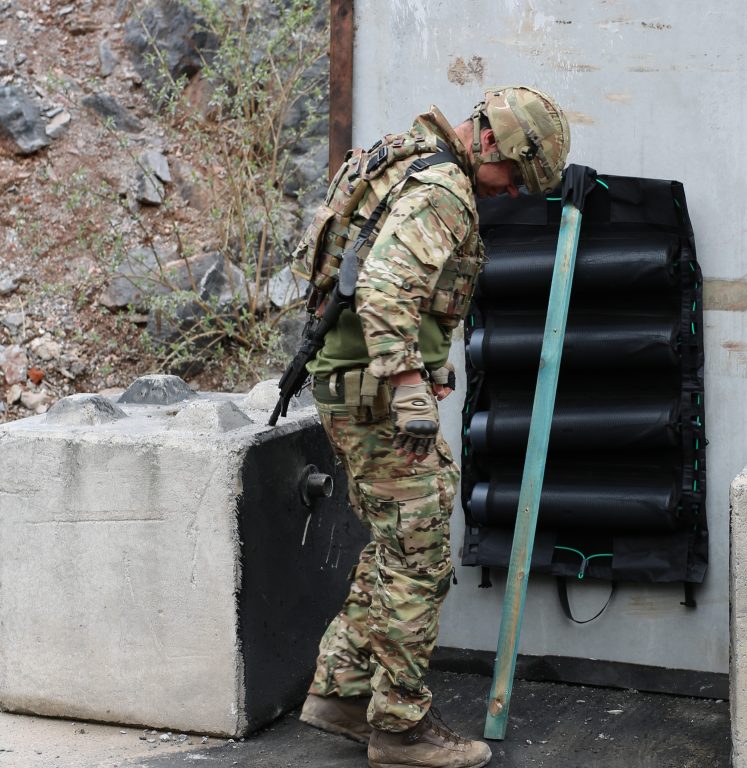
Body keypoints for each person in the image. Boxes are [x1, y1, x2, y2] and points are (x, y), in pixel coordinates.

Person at [293, 86, 570, 768]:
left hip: (352, 385)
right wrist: (409, 383)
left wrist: (425, 360)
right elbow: (386, 285)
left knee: (397, 544)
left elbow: (374, 279)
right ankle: (400, 729)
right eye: (516, 179)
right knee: (419, 557)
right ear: (497, 145)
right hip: (375, 397)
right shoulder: (445, 190)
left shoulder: (413, 160)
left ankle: (342, 690)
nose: (511, 196)